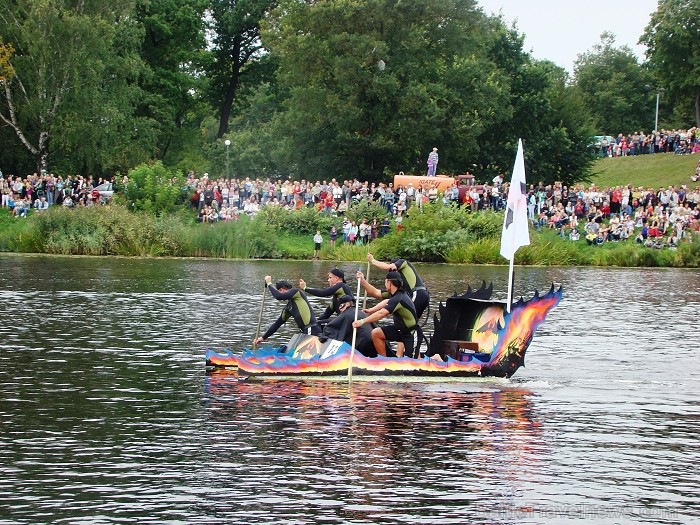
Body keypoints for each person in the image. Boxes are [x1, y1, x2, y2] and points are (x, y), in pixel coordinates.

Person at [353, 271, 419, 358]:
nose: (385, 283)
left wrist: (362, 321)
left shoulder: (399, 298)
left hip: (411, 333)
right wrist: (362, 281)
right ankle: (384, 361)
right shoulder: (393, 293)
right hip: (399, 331)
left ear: (389, 282)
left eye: (385, 281)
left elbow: (382, 313)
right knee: (376, 333)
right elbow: (376, 293)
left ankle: (435, 359)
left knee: (411, 364)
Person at [253, 276, 320, 346]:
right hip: (304, 332)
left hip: (312, 329)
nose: (279, 293)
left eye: (279, 291)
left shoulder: (297, 292)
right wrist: (263, 338)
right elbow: (277, 324)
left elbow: (279, 296)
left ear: (282, 290)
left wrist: (269, 283)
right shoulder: (288, 308)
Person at [364, 253, 430, 320]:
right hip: (420, 296)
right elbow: (376, 293)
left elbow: (387, 267)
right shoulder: (397, 288)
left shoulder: (404, 263)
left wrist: (373, 260)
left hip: (418, 294)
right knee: (409, 321)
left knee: (406, 319)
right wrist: (362, 281)